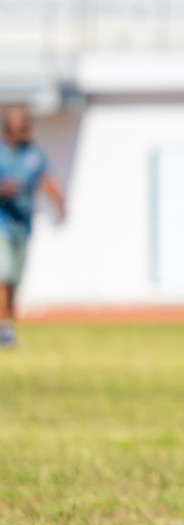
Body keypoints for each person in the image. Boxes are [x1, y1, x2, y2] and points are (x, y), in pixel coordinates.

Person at [0, 106, 65, 349]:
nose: (25, 129)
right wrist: (4, 190)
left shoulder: (34, 154)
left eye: (27, 124)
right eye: (20, 125)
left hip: (23, 226)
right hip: (2, 223)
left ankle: (8, 327)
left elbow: (47, 180)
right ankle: (4, 329)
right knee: (3, 275)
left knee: (14, 280)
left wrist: (60, 203)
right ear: (8, 128)